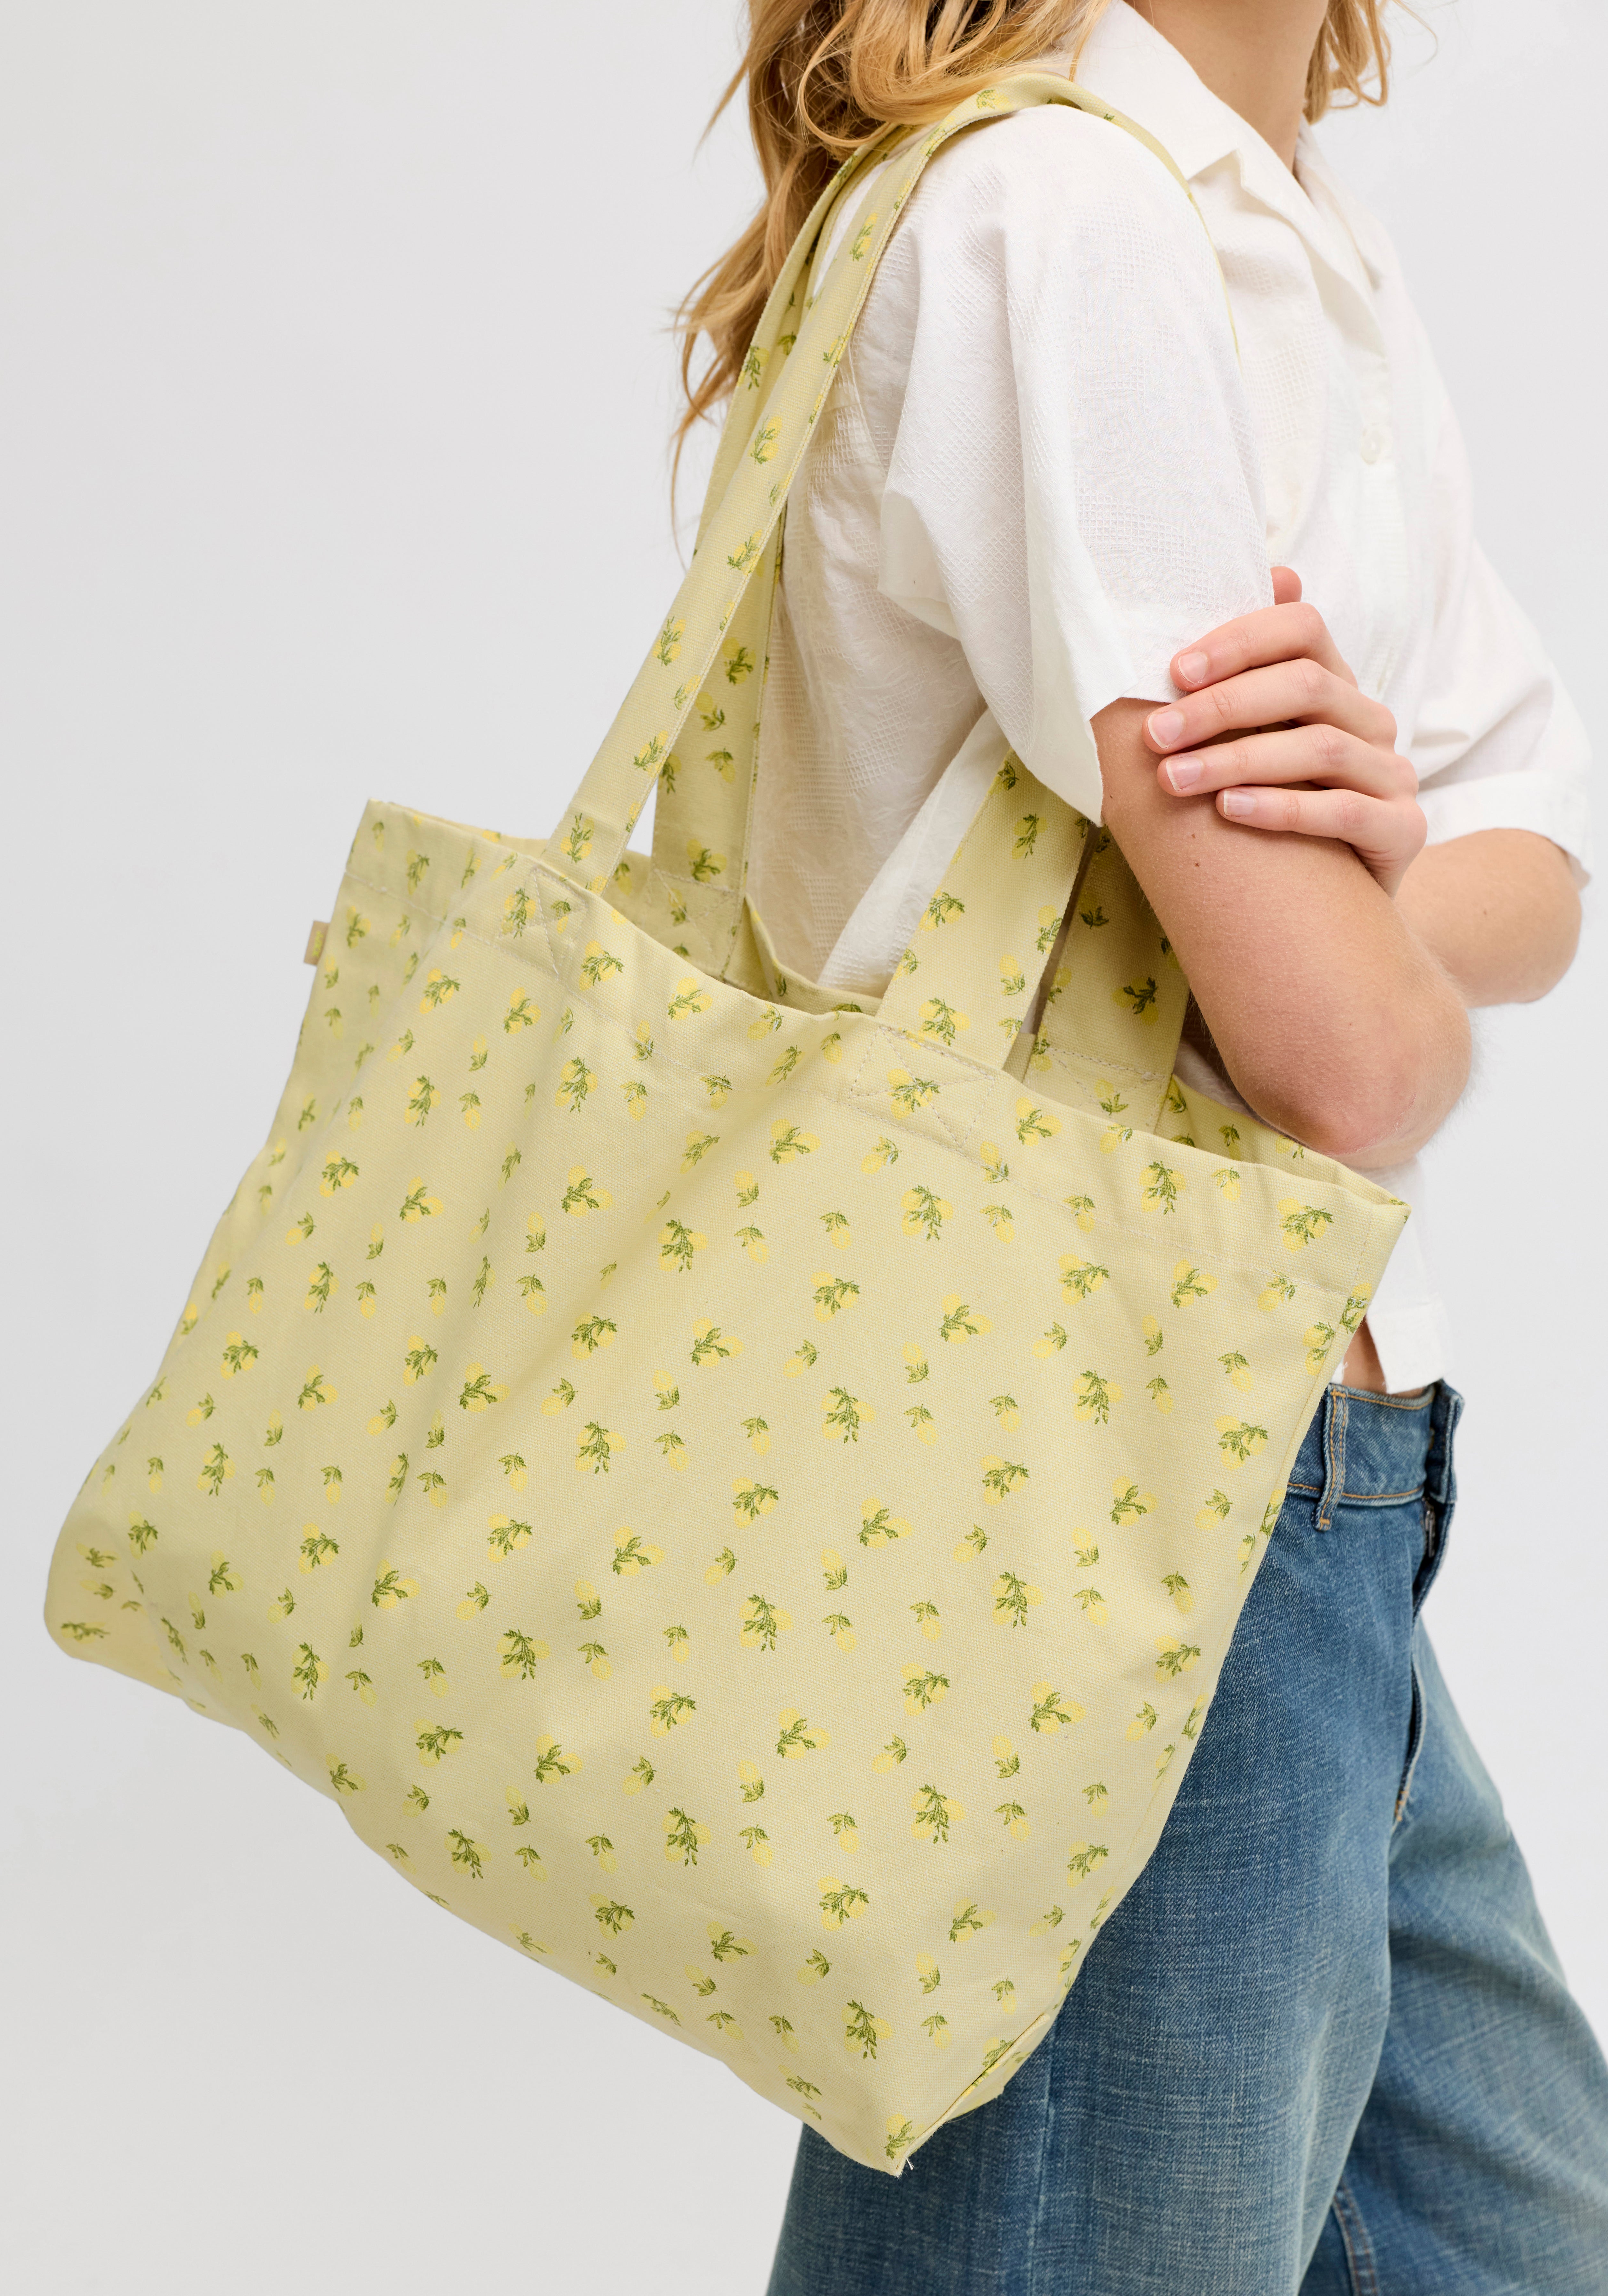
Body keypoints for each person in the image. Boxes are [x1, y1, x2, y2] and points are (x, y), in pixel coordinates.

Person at [675, 2, 1608, 2289]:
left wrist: (1376, 878)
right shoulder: (1063, 213)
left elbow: (1537, 858)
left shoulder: (1280, 230)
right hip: (1121, 1500)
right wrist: (1376, 936)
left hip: (1305, 1512)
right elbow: (1341, 1063)